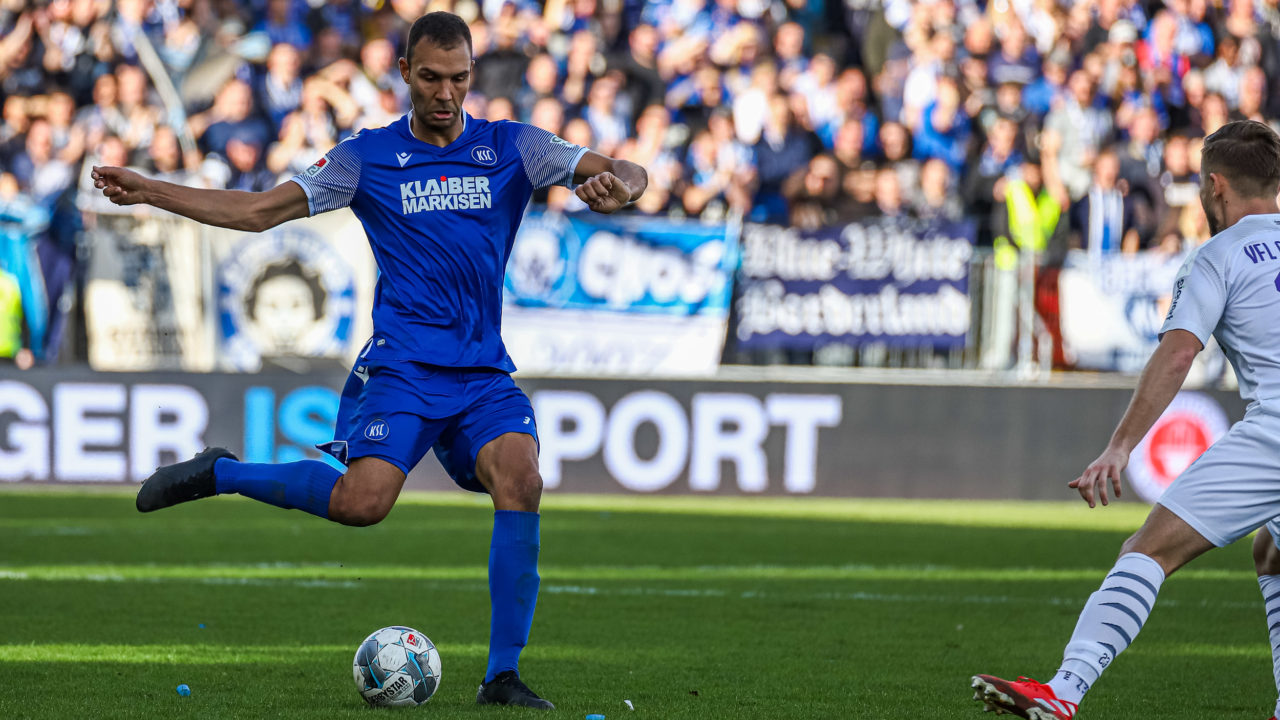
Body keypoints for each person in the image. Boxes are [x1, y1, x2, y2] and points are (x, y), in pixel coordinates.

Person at [90, 11, 647, 711]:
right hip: (404, 368)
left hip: (482, 373)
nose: (446, 93)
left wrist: (624, 186)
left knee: (522, 478)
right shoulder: (367, 157)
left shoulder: (515, 146)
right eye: (431, 78)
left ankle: (502, 677)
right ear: (405, 73)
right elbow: (258, 211)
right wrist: (152, 190)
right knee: (362, 504)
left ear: (472, 75)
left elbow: (623, 168)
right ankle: (222, 472)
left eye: (459, 79)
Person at [970, 120, 1280, 720]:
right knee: (1271, 551)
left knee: (1147, 549)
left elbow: (1178, 354)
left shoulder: (1217, 256)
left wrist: (1120, 446)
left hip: (1275, 433)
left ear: (1215, 186)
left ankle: (1064, 690)